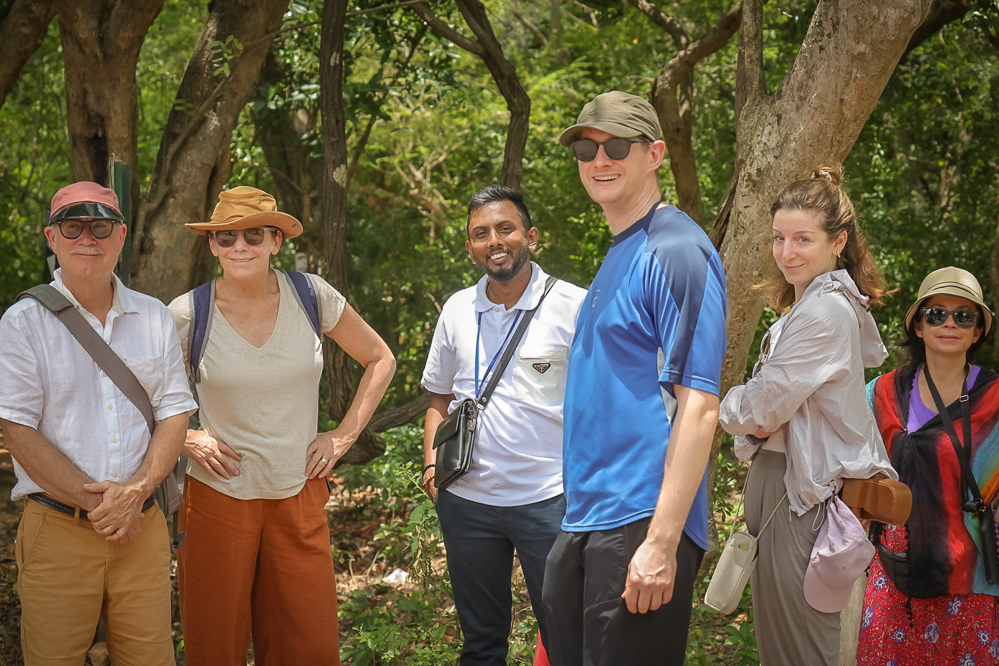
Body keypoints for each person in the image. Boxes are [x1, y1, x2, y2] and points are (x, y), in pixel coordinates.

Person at [168, 186, 395, 666]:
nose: (240, 247)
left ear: (275, 240)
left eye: (253, 235)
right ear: (212, 245)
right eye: (226, 238)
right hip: (217, 496)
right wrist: (186, 436)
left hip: (299, 491)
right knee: (215, 647)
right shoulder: (189, 312)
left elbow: (380, 358)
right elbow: (136, 392)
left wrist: (343, 434)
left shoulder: (311, 295)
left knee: (306, 646)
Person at [541, 90, 727, 666]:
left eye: (617, 145)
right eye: (586, 149)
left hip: (640, 519)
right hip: (588, 516)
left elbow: (699, 407)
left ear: (655, 154)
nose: (599, 160)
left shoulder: (675, 250)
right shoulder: (621, 250)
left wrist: (662, 542)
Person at [0, 181, 197, 665]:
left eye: (101, 226)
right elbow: (17, 429)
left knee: (150, 658)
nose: (87, 237)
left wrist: (136, 493)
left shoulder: (153, 315)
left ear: (121, 235)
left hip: (143, 528)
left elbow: (175, 410)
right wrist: (103, 505)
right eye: (73, 226)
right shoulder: (22, 323)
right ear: (53, 237)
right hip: (58, 530)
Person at [718, 166, 895, 665]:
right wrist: (754, 414)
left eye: (803, 239)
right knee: (781, 643)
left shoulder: (823, 313)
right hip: (781, 482)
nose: (786, 252)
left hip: (798, 495)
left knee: (800, 648)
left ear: (838, 242)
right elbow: (765, 414)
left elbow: (761, 408)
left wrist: (722, 403)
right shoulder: (804, 309)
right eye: (778, 238)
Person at [422, 185, 586, 665]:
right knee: (481, 642)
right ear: (470, 247)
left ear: (531, 236)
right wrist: (433, 469)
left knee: (566, 637)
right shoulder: (456, 309)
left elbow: (600, 402)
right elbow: (438, 397)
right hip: (467, 502)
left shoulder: (574, 306)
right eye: (481, 233)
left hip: (549, 500)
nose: (494, 240)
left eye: (505, 228)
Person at [857, 267, 999, 665]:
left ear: (977, 331)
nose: (949, 323)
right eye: (936, 313)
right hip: (893, 575)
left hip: (970, 579)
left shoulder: (995, 400)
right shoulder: (881, 394)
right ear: (918, 326)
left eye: (963, 315)